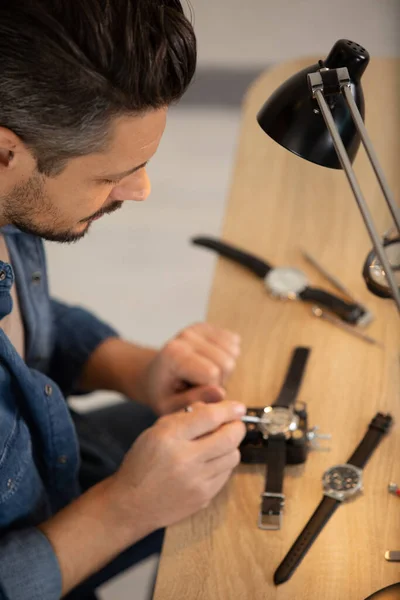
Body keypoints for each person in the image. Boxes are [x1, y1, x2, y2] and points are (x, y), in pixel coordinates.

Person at [0, 1, 247, 599]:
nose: (141, 190)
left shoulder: (10, 202)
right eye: (112, 174)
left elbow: (31, 325)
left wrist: (141, 370)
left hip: (58, 457)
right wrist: (126, 509)